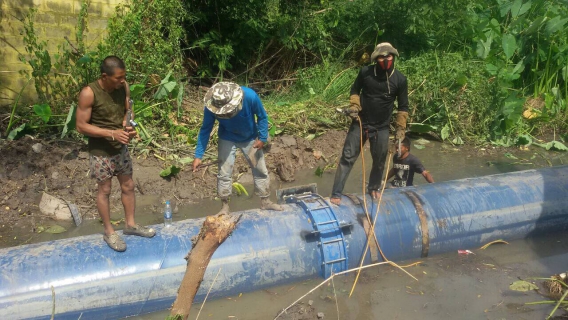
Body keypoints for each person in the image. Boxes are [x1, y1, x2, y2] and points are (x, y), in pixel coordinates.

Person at [76, 56, 155, 252]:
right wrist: (112, 133)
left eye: (124, 77)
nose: (122, 81)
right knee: (105, 190)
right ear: (105, 76)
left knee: (128, 185)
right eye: (119, 77)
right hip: (101, 150)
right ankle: (109, 232)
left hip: (121, 147)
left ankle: (130, 225)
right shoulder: (89, 93)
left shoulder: (123, 87)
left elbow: (129, 110)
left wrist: (128, 125)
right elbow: (80, 126)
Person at [330, 42, 410, 205]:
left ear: (393, 57)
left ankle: (373, 188)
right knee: (347, 157)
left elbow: (403, 106)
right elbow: (355, 90)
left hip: (381, 127)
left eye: (388, 56)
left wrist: (400, 129)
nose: (385, 59)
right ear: (376, 59)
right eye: (381, 57)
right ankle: (336, 193)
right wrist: (354, 105)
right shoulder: (366, 73)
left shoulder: (400, 80)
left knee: (379, 160)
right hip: (360, 123)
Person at [192, 82, 283, 214]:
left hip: (250, 137)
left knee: (260, 169)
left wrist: (262, 138)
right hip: (227, 137)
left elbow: (262, 117)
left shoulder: (250, 97)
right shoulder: (212, 107)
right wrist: (198, 156)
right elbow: (205, 129)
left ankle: (265, 201)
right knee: (224, 172)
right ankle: (224, 207)